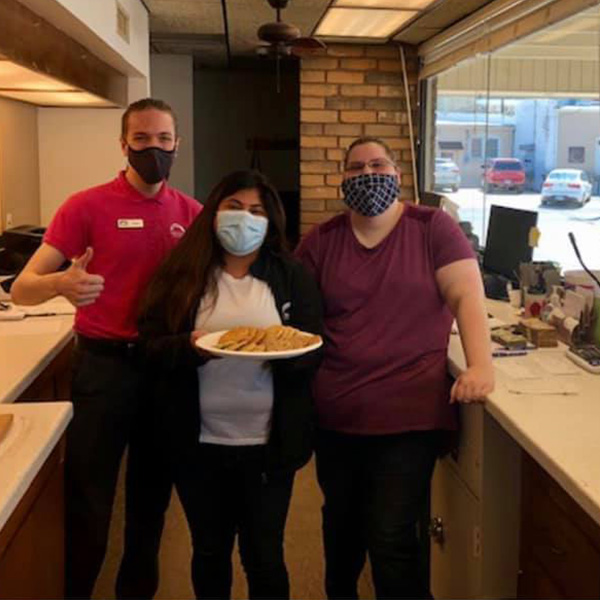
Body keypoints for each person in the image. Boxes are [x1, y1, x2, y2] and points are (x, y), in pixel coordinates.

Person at [11, 98, 202, 599]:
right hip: (104, 370)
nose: (153, 149)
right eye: (142, 140)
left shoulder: (191, 213)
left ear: (177, 145)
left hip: (164, 371)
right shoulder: (85, 206)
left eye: (164, 140)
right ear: (123, 144)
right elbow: (21, 288)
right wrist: (60, 286)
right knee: (90, 501)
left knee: (150, 503)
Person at [295, 136, 495, 600]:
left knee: (392, 538)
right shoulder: (322, 241)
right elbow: (288, 306)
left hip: (408, 415)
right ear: (341, 180)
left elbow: (466, 293)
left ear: (399, 175)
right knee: (341, 535)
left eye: (378, 165)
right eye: (356, 168)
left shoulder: (432, 228)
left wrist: (481, 364)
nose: (368, 174)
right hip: (337, 418)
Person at [138, 169, 322, 600]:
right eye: (234, 207)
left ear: (271, 219)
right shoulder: (181, 274)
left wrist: (280, 354)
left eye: (256, 211)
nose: (245, 219)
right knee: (209, 551)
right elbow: (147, 349)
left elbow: (313, 349)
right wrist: (189, 347)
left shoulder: (290, 275)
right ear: (213, 212)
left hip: (267, 446)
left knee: (265, 555)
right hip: (197, 445)